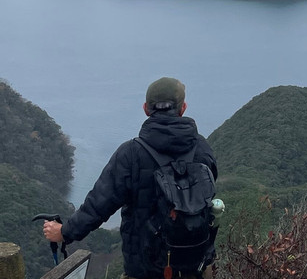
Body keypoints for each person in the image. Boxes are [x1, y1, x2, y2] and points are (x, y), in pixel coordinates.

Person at [44, 77, 218, 279]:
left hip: (146, 270)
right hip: (196, 266)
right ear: (183, 108)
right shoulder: (202, 148)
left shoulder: (131, 154)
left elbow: (98, 205)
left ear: (146, 109)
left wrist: (64, 232)